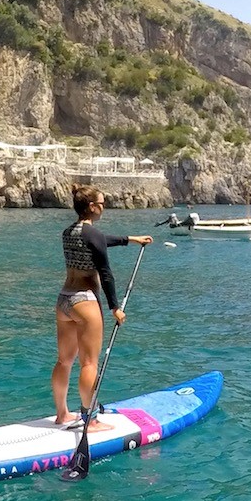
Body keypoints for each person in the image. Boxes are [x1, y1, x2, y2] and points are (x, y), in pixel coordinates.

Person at [54, 184, 152, 430]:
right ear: (92, 207)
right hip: (85, 301)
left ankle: (62, 414)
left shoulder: (68, 232)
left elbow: (99, 241)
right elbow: (106, 274)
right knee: (89, 363)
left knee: (64, 361)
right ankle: (91, 420)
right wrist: (114, 308)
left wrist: (130, 239)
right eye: (102, 203)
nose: (104, 207)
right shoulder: (92, 234)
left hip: (64, 300)